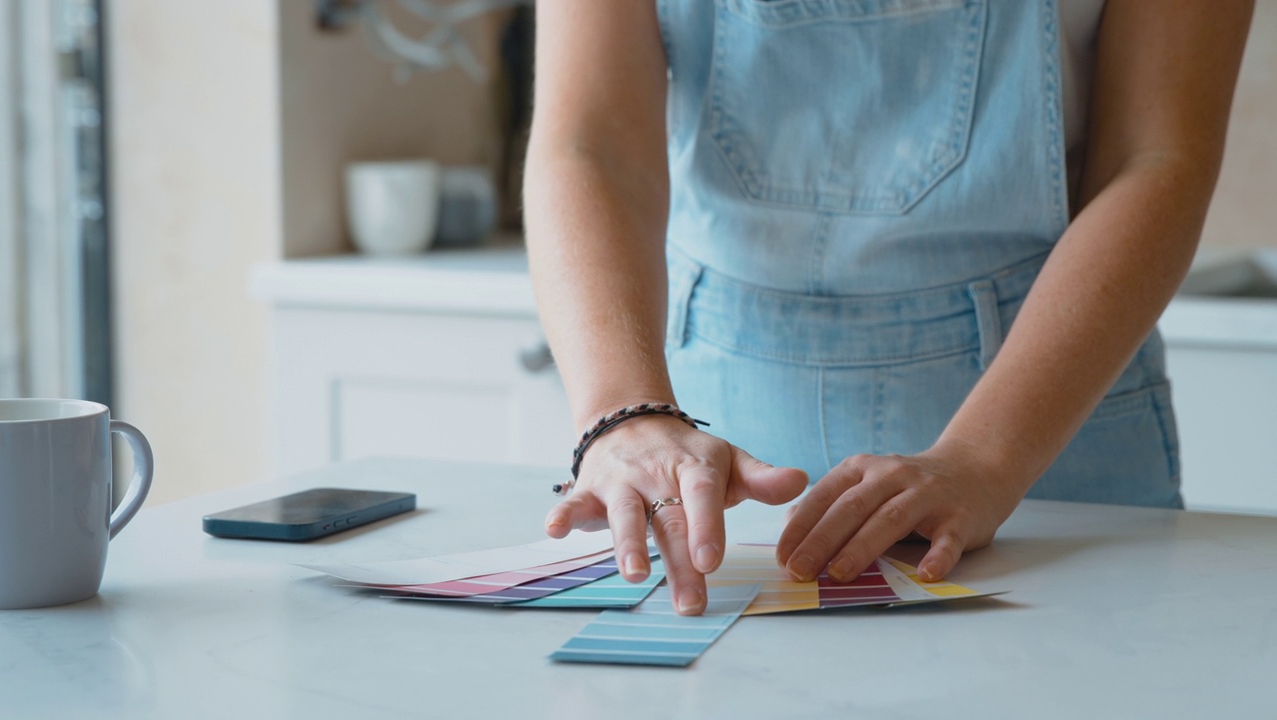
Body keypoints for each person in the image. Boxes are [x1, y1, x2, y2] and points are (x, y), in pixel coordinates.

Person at [523, 0, 1254, 616]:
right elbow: (591, 145)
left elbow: (1156, 158)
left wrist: (985, 459)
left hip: (1049, 443)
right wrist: (625, 413)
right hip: (714, 448)